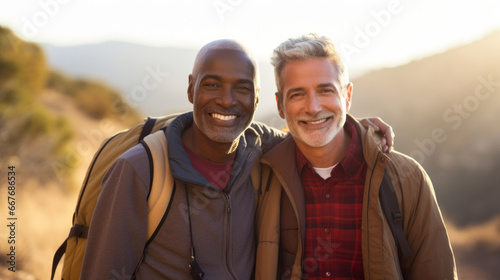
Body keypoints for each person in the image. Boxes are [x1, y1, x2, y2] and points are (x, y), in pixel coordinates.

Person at [81, 39, 393, 279]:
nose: (227, 100)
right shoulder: (140, 169)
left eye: (241, 89)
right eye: (212, 84)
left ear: (257, 99)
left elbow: (312, 133)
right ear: (191, 89)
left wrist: (352, 131)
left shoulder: (263, 150)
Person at [255, 34, 457, 280]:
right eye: (297, 94)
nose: (313, 107)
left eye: (325, 90)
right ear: (280, 105)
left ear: (347, 96)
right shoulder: (261, 177)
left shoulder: (407, 178)